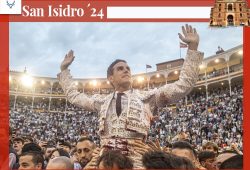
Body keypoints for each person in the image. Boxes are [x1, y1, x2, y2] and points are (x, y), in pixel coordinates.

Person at [58, 24, 204, 168]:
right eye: (120, 69)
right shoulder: (102, 101)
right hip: (104, 162)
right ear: (111, 78)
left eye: (128, 68)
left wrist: (192, 49)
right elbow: (74, 97)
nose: (126, 71)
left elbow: (183, 86)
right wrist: (64, 71)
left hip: (136, 162)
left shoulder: (147, 98)